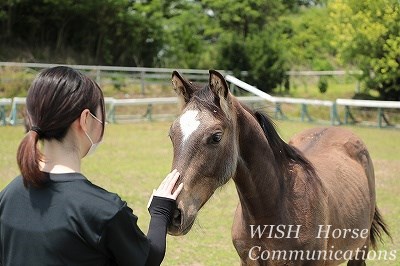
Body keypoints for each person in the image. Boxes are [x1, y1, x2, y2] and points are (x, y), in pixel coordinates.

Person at [0, 66, 183, 266]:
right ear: (85, 119)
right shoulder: (105, 211)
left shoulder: (8, 195)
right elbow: (148, 258)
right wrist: (160, 211)